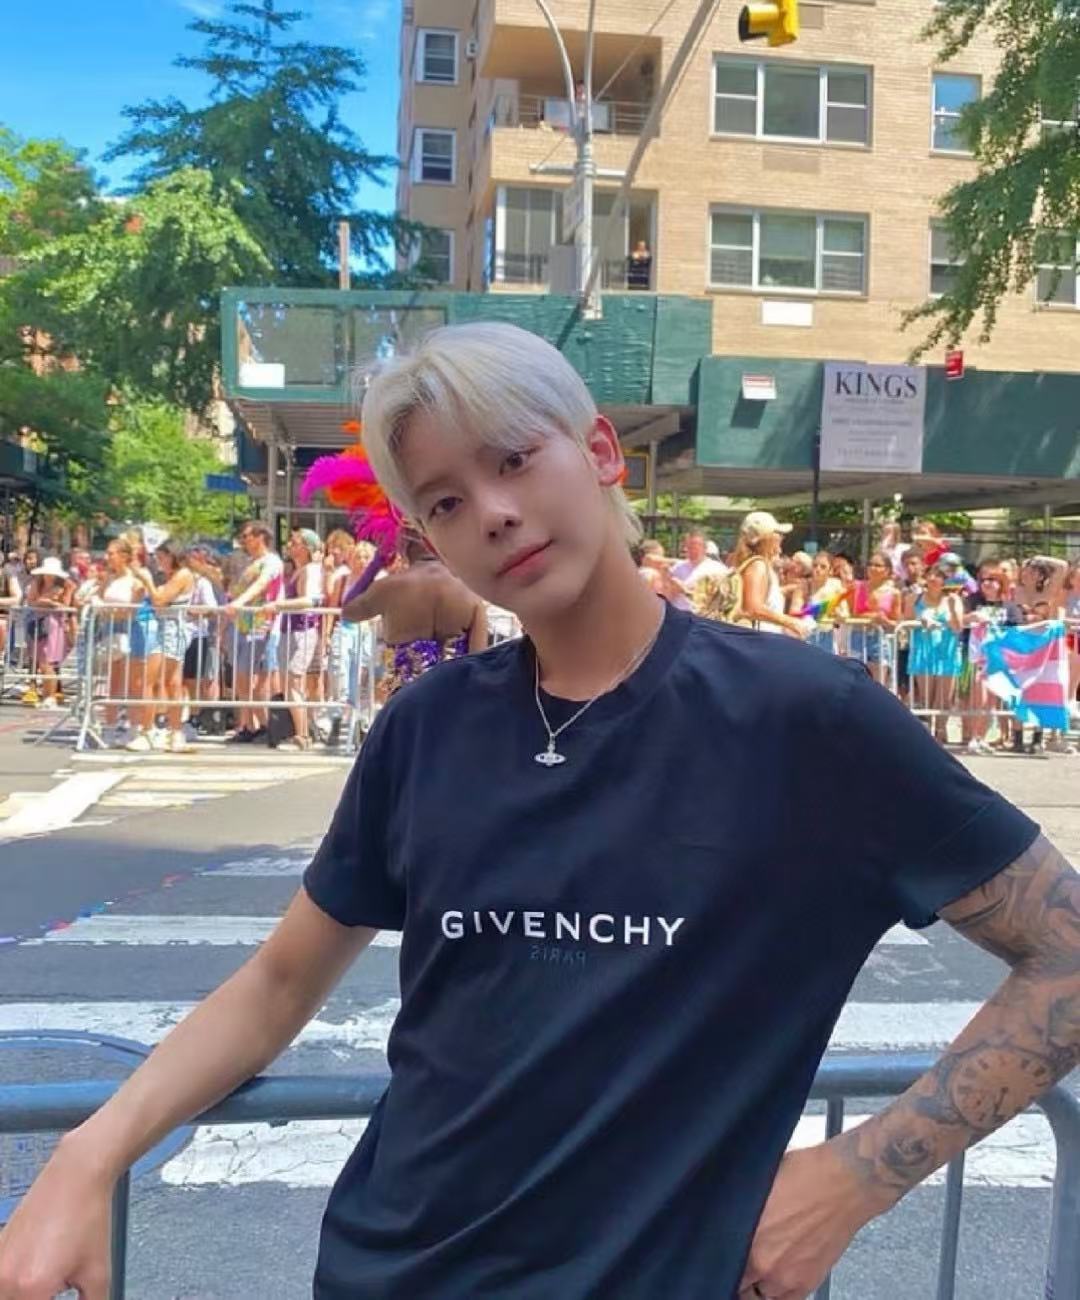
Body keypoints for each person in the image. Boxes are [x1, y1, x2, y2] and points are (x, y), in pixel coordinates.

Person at [5, 322, 1080, 1300]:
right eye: (445, 502)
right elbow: (279, 982)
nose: (493, 512)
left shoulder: (804, 717)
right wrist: (90, 1154)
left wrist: (855, 1178)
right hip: (386, 1270)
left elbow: (1067, 955)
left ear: (601, 450)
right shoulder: (427, 728)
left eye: (514, 457)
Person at [341, 530, 489, 697]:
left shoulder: (390, 587)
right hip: (453, 698)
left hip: (405, 699)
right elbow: (478, 662)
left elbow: (348, 611)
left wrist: (376, 564)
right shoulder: (470, 590)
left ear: (404, 545)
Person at [223, 522, 284, 744]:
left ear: (260, 537)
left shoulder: (272, 562)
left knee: (255, 679)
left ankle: (266, 725)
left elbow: (261, 584)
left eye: (247, 536)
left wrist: (239, 602)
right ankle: (251, 725)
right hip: (243, 626)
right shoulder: (251, 563)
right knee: (242, 679)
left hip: (261, 627)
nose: (244, 540)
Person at [265, 528, 325, 751]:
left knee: (294, 683)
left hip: (302, 631)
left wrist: (278, 605)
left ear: (306, 547)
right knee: (290, 684)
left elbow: (310, 600)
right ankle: (301, 731)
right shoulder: (299, 570)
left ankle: (303, 735)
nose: (289, 545)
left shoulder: (310, 571)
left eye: (295, 542)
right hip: (291, 630)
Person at [133, 544, 196, 754]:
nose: (159, 562)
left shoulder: (183, 575)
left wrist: (148, 582)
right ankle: (148, 729)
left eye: (162, 557)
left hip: (173, 629)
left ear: (172, 556)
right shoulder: (167, 576)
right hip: (160, 627)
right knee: (150, 680)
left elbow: (160, 600)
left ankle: (175, 731)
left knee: (171, 682)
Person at [904, 563, 964, 744]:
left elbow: (958, 627)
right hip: (923, 650)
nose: (932, 579)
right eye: (929, 574)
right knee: (926, 696)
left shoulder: (953, 600)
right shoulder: (914, 598)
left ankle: (941, 731)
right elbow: (905, 623)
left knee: (944, 697)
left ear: (945, 580)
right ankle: (927, 733)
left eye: (937, 576)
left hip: (946, 652)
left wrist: (952, 609)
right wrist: (920, 619)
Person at [726, 511, 808, 637]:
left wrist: (785, 590)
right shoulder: (758, 566)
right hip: (757, 641)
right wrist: (790, 622)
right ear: (766, 538)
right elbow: (752, 608)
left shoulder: (751, 564)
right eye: (778, 534)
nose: (781, 538)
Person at [23, 557, 74, 709]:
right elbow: (31, 601)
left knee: (49, 661)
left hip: (54, 624)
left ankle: (50, 696)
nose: (49, 576)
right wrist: (46, 602)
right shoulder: (37, 583)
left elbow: (65, 605)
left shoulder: (65, 585)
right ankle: (46, 695)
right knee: (42, 661)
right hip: (37, 623)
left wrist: (49, 603)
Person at [669, 529, 727, 613]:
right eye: (689, 547)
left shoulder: (717, 569)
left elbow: (720, 599)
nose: (692, 550)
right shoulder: (677, 568)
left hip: (701, 616)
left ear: (705, 548)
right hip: (678, 614)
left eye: (695, 547)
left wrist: (685, 590)